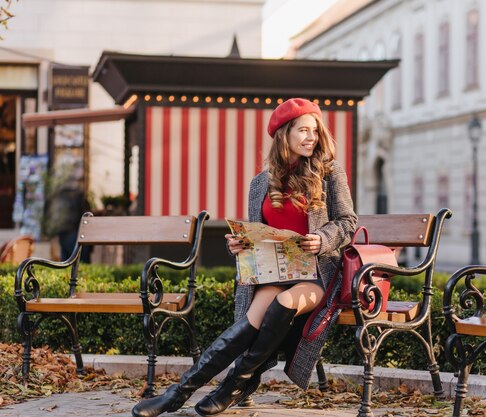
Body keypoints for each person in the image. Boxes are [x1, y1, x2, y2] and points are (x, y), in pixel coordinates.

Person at [132, 98, 357, 417]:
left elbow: (348, 222)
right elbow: (258, 234)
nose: (311, 137)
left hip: (317, 276)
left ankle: (233, 385)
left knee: (281, 306)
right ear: (284, 134)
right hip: (274, 273)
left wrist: (321, 238)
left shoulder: (330, 173)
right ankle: (179, 393)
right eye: (303, 130)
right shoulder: (260, 183)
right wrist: (239, 244)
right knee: (249, 323)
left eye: (315, 131)